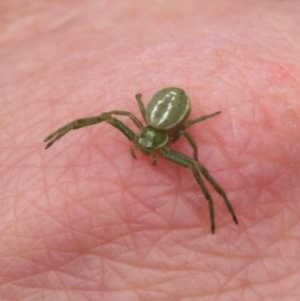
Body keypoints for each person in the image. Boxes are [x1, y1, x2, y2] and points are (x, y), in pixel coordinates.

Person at [1, 1, 300, 300]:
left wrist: (195, 157)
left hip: (169, 114)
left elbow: (196, 162)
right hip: (159, 115)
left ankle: (217, 205)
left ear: (165, 142)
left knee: (198, 170)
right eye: (140, 142)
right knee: (107, 118)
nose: (142, 148)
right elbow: (108, 116)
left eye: (147, 145)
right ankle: (59, 134)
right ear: (139, 130)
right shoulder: (135, 124)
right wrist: (69, 128)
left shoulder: (173, 137)